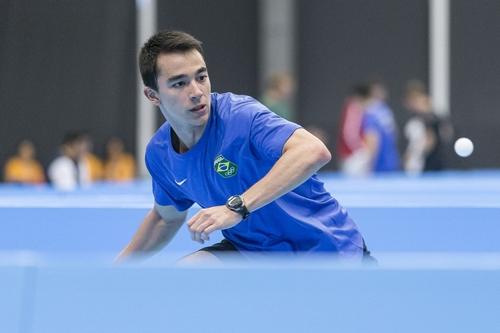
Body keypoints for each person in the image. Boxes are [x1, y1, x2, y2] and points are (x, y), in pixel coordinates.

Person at [116, 30, 370, 264]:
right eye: (179, 83)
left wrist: (237, 207)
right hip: (252, 255)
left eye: (201, 77)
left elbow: (313, 151)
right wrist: (116, 271)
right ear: (152, 95)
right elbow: (164, 218)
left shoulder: (240, 116)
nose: (196, 92)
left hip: (328, 251)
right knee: (188, 273)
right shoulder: (160, 154)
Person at [403, 80, 451, 174]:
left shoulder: (431, 119)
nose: (414, 103)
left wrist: (414, 157)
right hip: (424, 165)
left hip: (430, 165)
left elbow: (431, 141)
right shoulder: (416, 120)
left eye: (417, 100)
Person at [360, 80, 400, 173]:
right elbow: (395, 134)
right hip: (391, 159)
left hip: (379, 162)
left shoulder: (370, 113)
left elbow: (372, 138)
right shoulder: (386, 111)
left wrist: (369, 164)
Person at [336, 84, 372, 176]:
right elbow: (349, 133)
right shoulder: (353, 109)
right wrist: (361, 149)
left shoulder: (354, 109)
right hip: (353, 156)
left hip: (353, 154)